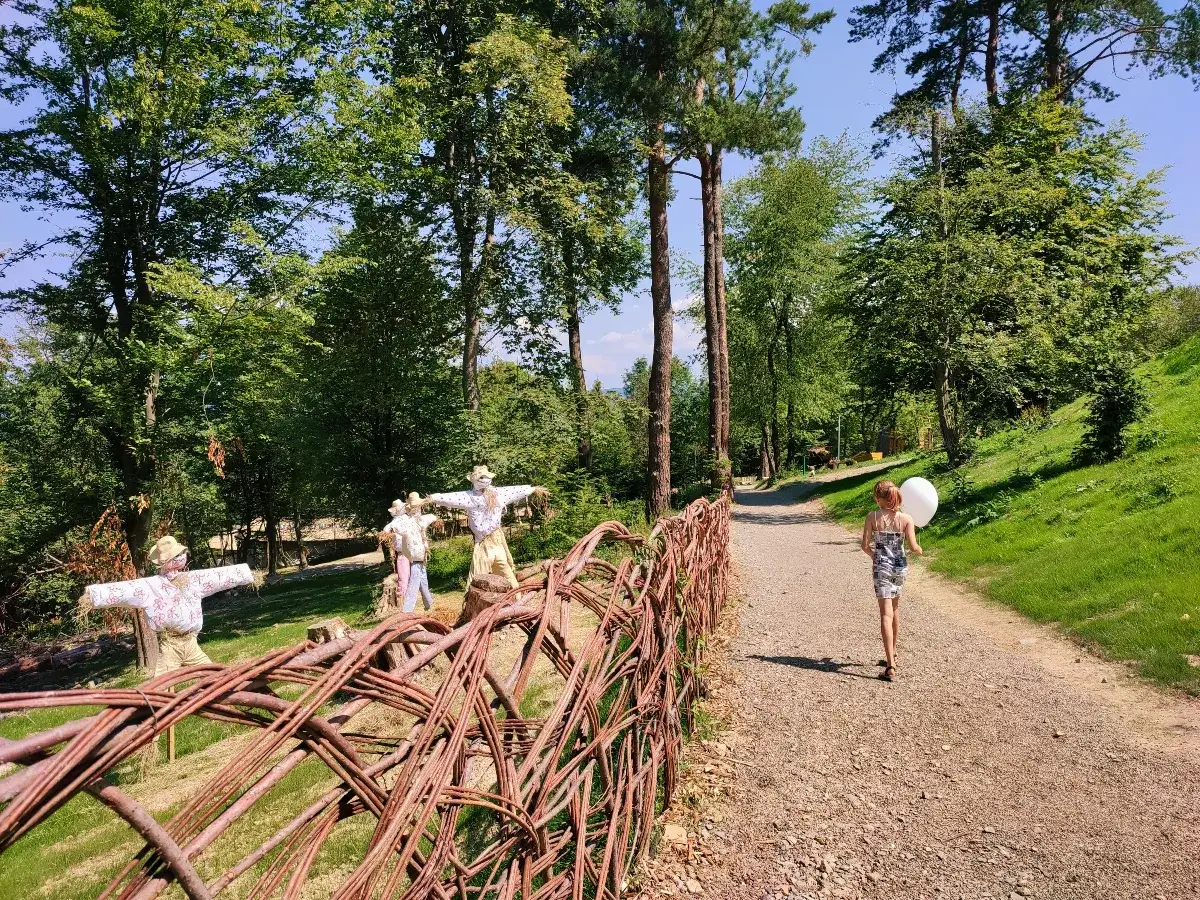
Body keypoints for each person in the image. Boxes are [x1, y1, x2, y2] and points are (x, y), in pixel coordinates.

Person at [83, 535, 255, 676]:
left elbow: (218, 576)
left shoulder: (193, 579)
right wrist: (93, 596)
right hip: (170, 646)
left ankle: (222, 701)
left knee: (214, 677)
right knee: (161, 688)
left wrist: (245, 574)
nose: (180, 558)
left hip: (191, 642)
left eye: (180, 555)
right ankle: (157, 713)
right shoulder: (151, 586)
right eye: (174, 556)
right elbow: (125, 590)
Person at [429, 465, 548, 589]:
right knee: (492, 576)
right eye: (482, 477)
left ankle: (513, 599)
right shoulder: (482, 495)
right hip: (489, 543)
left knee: (491, 576)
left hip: (491, 543)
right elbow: (451, 498)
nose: (485, 479)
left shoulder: (488, 494)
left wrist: (531, 489)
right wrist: (433, 498)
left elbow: (515, 490)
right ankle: (509, 598)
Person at [860, 480, 922, 682]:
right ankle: (893, 653)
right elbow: (913, 547)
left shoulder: (873, 517)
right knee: (895, 611)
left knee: (885, 615)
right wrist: (919, 550)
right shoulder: (906, 519)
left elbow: (865, 545)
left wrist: (876, 558)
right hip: (900, 569)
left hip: (882, 569)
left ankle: (890, 666)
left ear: (878, 498)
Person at [398, 492, 438, 613]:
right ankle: (407, 611)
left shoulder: (421, 520)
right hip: (415, 556)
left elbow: (432, 517)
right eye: (415, 508)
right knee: (414, 583)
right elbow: (395, 527)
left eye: (418, 507)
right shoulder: (407, 521)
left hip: (422, 556)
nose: (417, 510)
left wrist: (437, 519)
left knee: (422, 581)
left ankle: (428, 604)